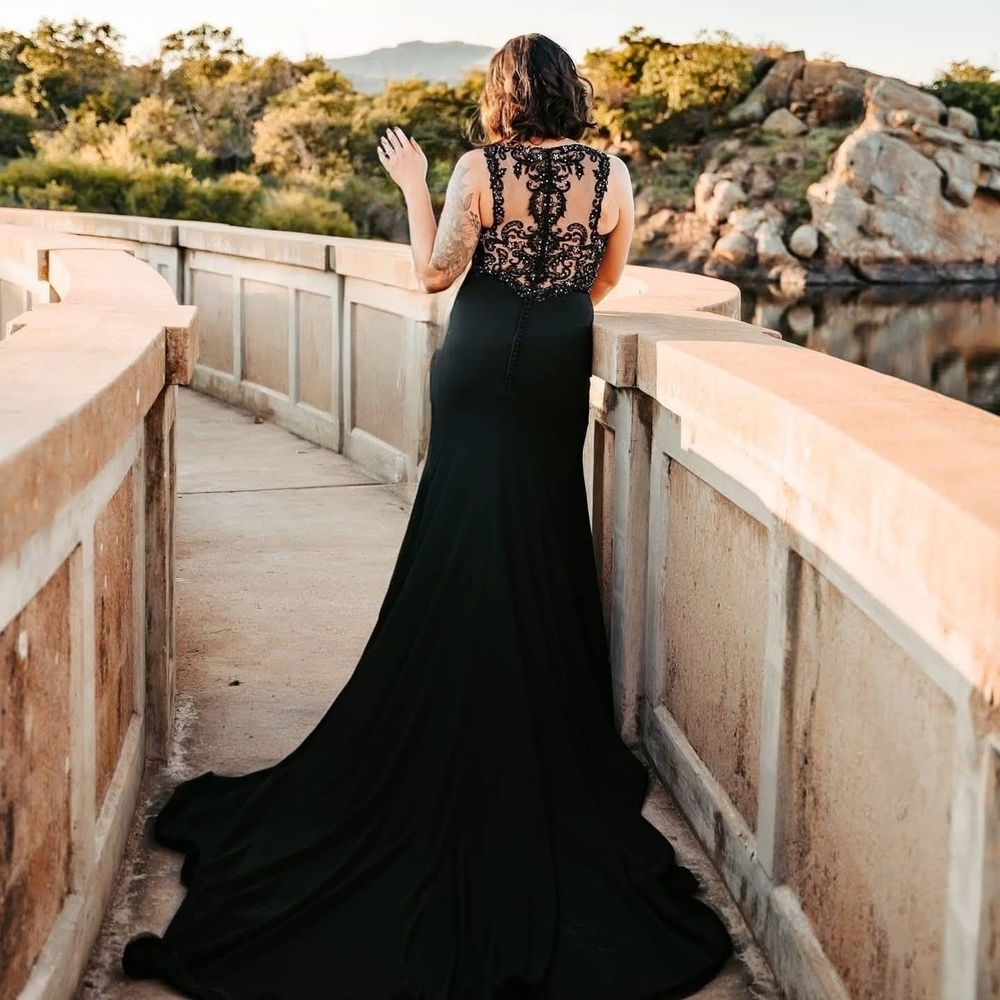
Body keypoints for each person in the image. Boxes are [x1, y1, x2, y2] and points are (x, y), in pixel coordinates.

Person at [121, 32, 733, 999]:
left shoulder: (474, 166)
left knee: (463, 529)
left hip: (478, 360)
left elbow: (435, 273)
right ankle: (541, 718)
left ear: (501, 96)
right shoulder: (611, 172)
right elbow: (605, 282)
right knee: (541, 526)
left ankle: (456, 687)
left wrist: (414, 184)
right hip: (554, 368)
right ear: (568, 92)